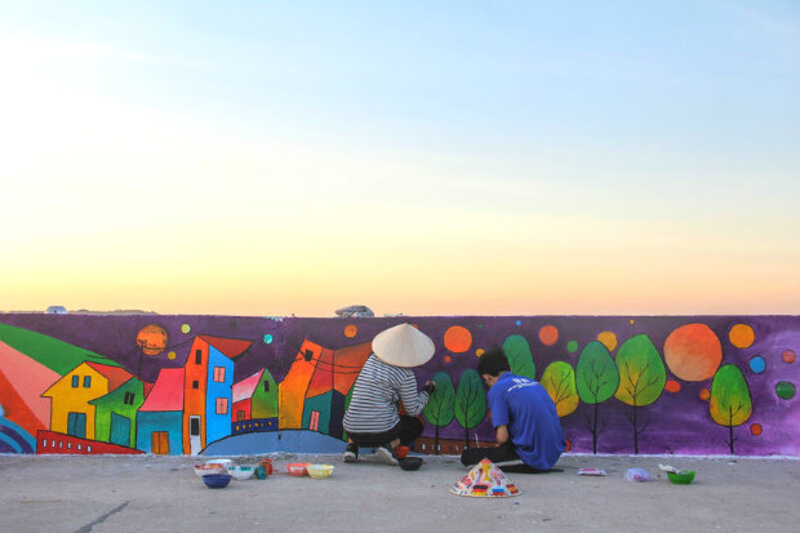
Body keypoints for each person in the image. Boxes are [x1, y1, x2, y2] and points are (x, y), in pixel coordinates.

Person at [342, 323, 436, 465]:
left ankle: (351, 447)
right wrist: (428, 391)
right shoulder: (406, 374)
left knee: (361, 412)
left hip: (351, 429)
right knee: (415, 424)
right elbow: (413, 410)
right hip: (382, 434)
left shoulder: (371, 360)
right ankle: (389, 446)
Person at [460, 347, 566, 472]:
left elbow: (502, 437)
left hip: (532, 457)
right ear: (509, 369)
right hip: (553, 453)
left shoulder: (497, 389)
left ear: (487, 377)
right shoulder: (534, 383)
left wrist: (499, 446)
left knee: (468, 457)